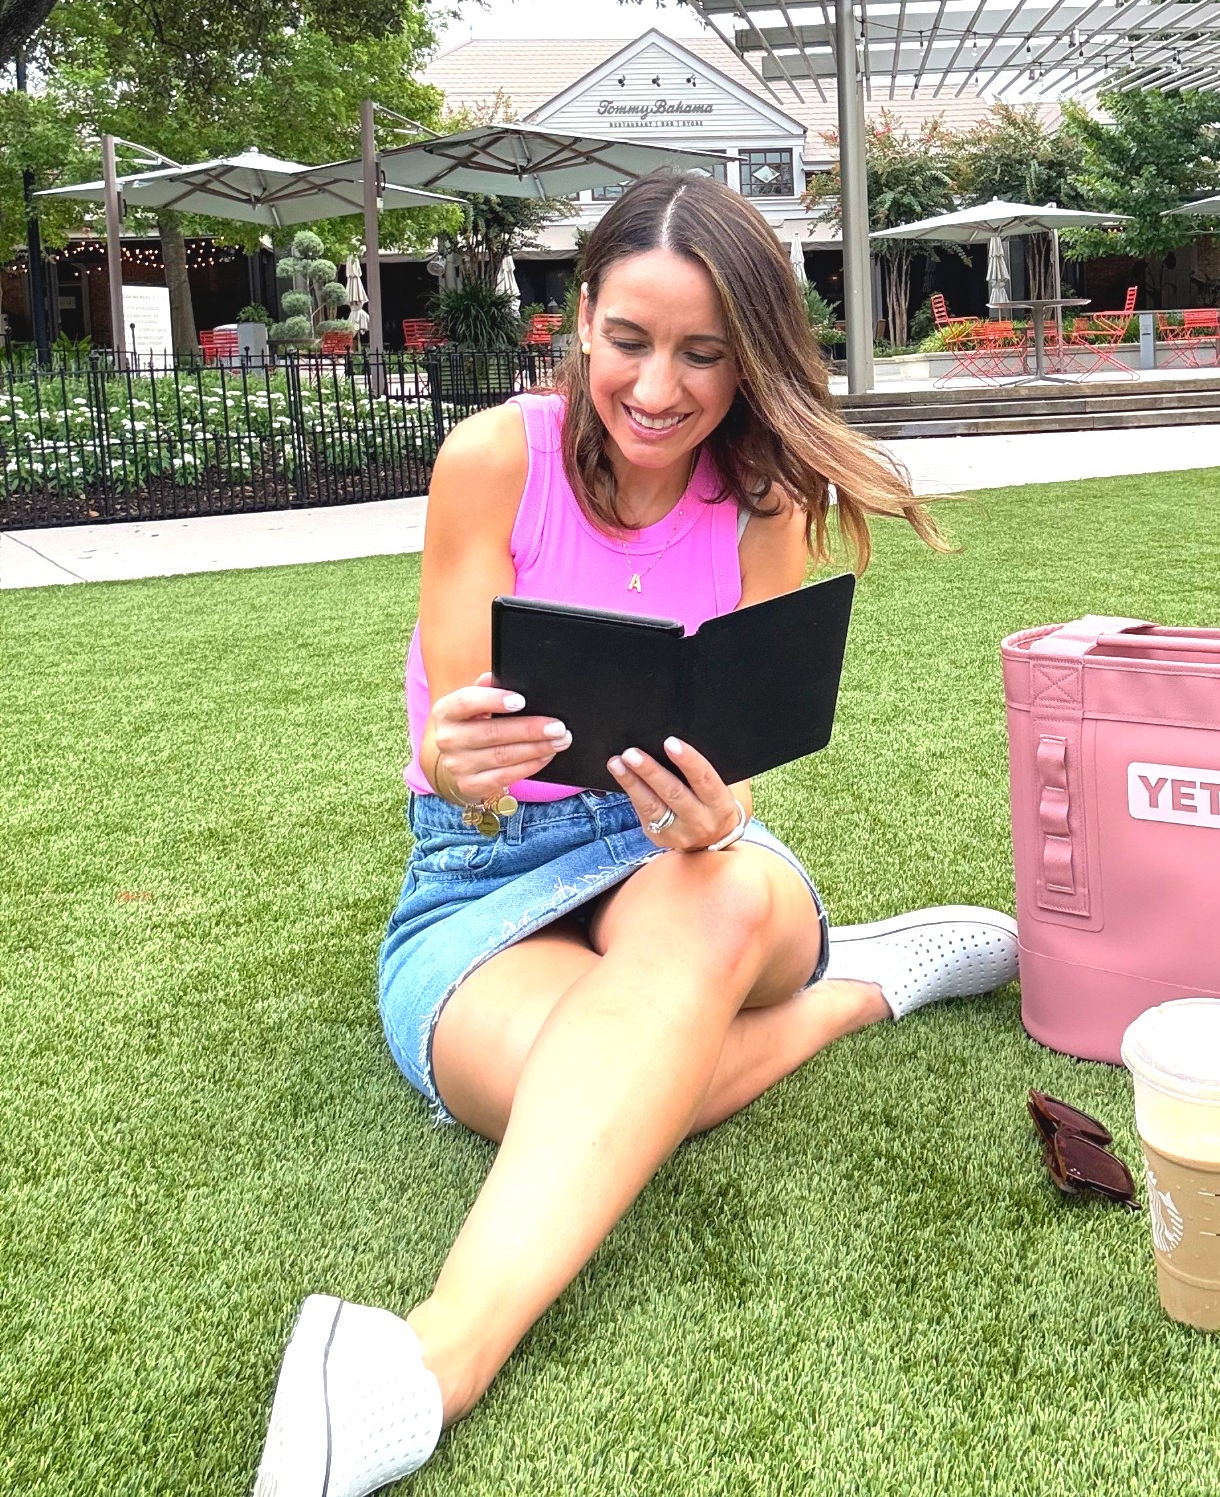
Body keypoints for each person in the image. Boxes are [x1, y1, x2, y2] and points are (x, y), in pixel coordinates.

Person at [253, 171, 1018, 1496]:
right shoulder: (496, 457)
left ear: (750, 361)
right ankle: (859, 992)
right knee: (594, 1086)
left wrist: (719, 816)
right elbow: (465, 747)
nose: (658, 386)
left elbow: (741, 774)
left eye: (703, 354)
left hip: (689, 868)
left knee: (705, 913)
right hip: (481, 875)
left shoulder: (762, 496)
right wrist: (455, 761)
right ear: (582, 319)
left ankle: (430, 1360)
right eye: (631, 340)